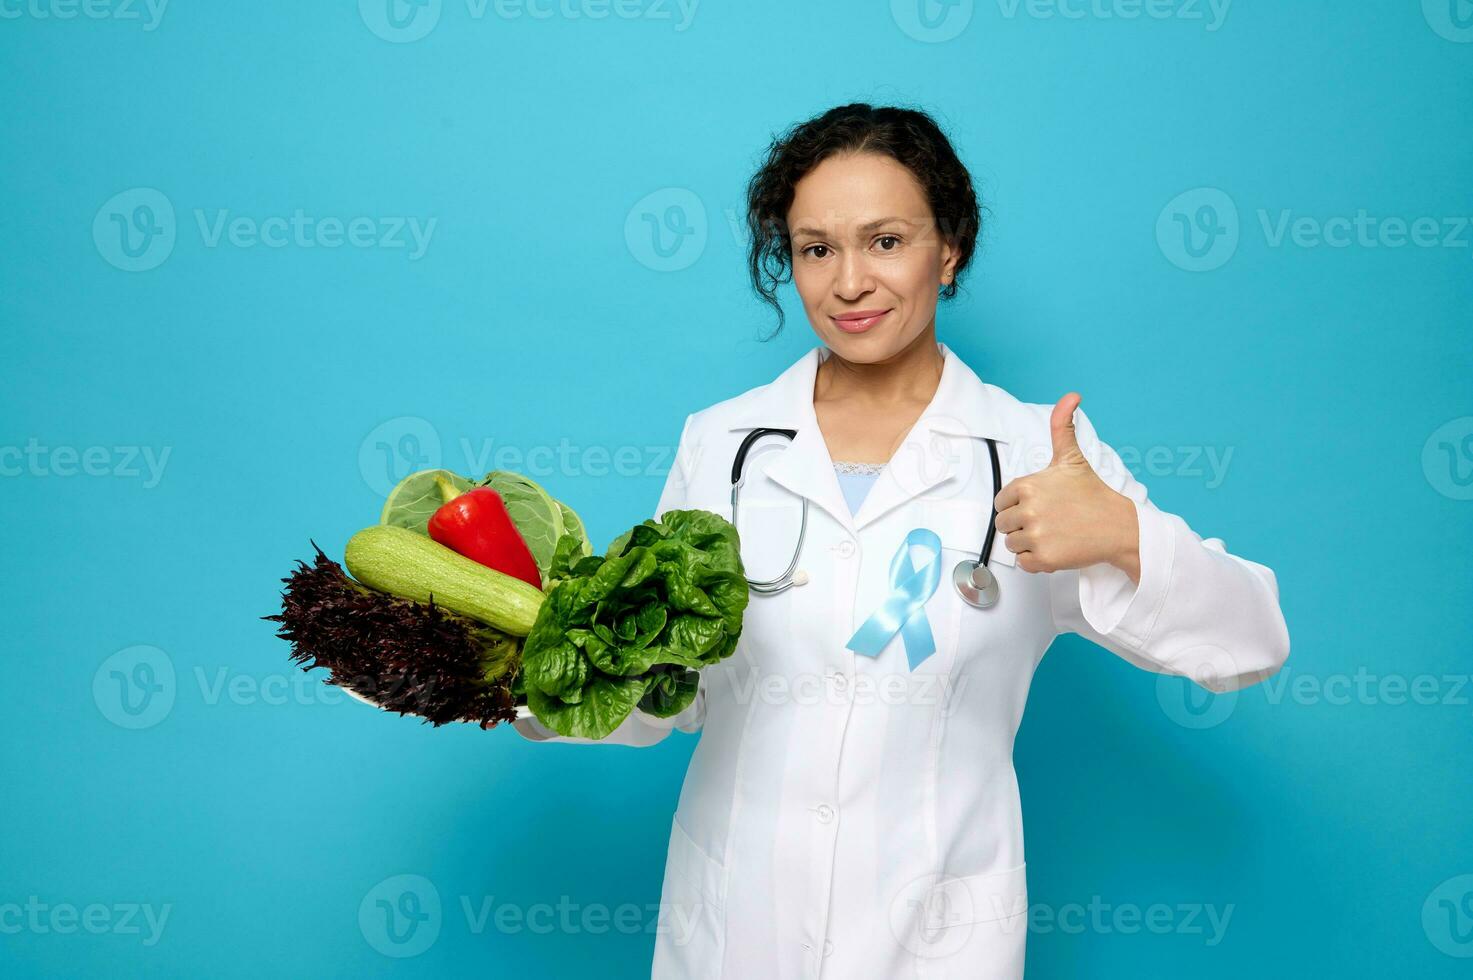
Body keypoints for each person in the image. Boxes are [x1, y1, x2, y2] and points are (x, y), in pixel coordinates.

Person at [513, 103, 1290, 980]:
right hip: (738, 932)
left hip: (936, 941)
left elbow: (1250, 642)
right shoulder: (724, 445)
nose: (848, 283)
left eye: (885, 241)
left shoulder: (1036, 454)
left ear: (948, 249)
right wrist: (524, 674)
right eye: (816, 249)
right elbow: (675, 697)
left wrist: (1121, 534)